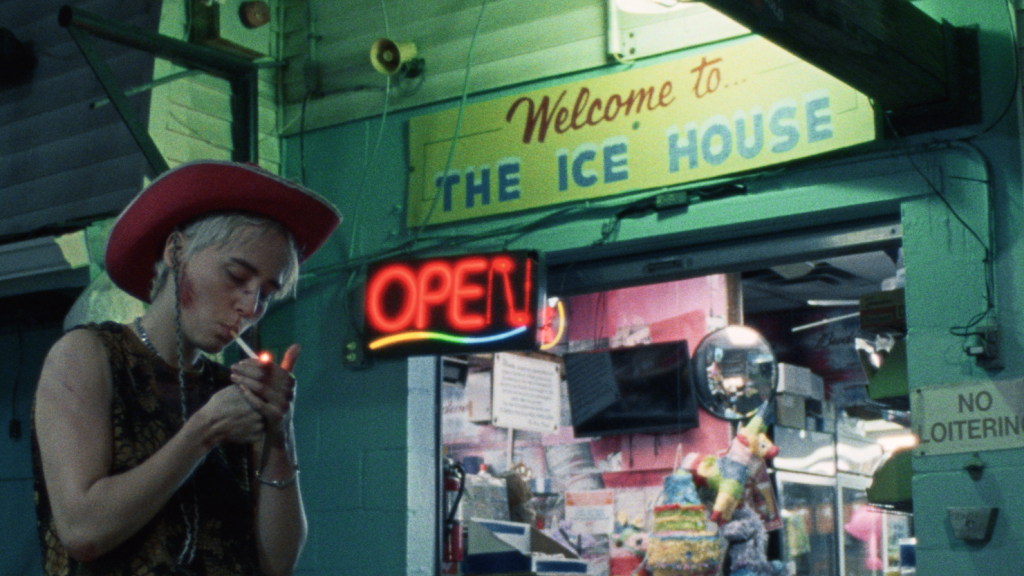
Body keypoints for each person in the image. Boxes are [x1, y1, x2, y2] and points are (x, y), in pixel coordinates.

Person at [30, 160, 341, 576]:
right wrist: (203, 432)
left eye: (266, 294)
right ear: (176, 251)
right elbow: (82, 530)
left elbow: (278, 562)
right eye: (236, 276)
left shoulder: (230, 390)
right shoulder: (89, 356)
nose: (250, 308)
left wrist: (279, 434)